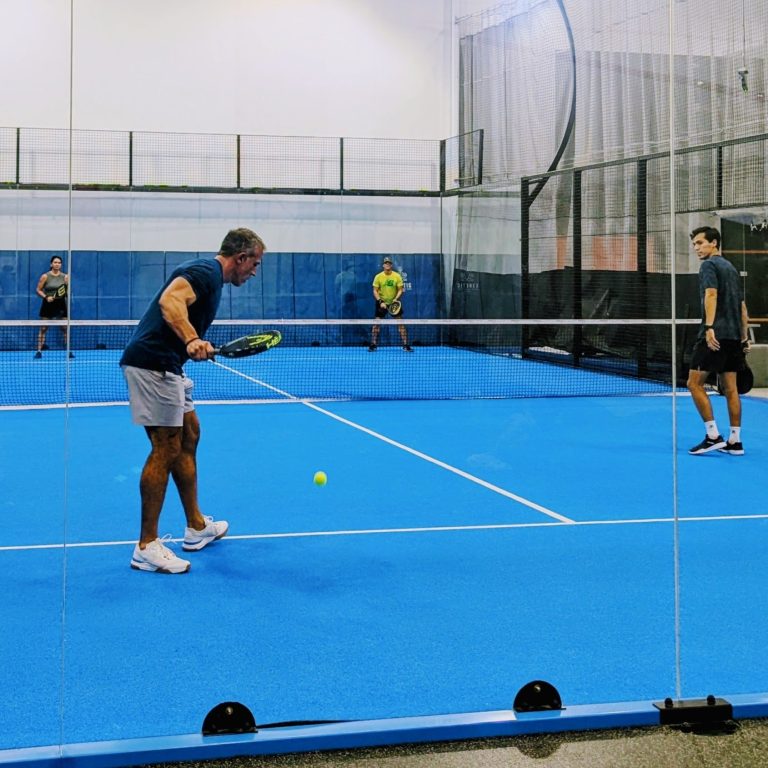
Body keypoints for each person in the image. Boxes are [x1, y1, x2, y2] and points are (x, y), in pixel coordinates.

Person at [120, 227, 266, 573]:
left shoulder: (211, 279)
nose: (254, 271)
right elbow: (170, 301)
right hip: (152, 364)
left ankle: (196, 527)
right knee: (165, 448)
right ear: (241, 257)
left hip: (170, 364)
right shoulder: (205, 272)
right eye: (255, 263)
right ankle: (146, 546)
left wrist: (188, 345)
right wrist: (191, 339)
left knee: (189, 435)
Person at [687, 226, 750, 456]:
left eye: (700, 243)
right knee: (730, 388)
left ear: (713, 243)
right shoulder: (731, 268)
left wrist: (709, 327)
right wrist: (743, 337)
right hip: (733, 336)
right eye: (694, 244)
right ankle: (735, 441)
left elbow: (711, 294)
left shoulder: (709, 265)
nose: (696, 248)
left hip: (715, 336)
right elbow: (742, 307)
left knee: (694, 384)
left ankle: (713, 436)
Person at [369, 257, 412, 352]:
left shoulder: (397, 276)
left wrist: (395, 299)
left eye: (389, 263)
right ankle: (373, 344)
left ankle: (406, 344)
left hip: (394, 304)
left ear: (391, 265)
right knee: (376, 324)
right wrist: (380, 301)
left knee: (401, 324)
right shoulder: (378, 276)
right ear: (383, 265)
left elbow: (400, 289)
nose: (387, 264)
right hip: (381, 303)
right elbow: (375, 291)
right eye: (386, 263)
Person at [35, 255, 71, 358]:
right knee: (43, 328)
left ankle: (69, 351)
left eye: (59, 263)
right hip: (48, 304)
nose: (57, 264)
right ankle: (39, 351)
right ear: (51, 264)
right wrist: (46, 297)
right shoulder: (45, 276)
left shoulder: (65, 277)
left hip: (61, 304)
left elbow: (66, 291)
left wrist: (67, 287)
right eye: (55, 262)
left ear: (61, 265)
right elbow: (38, 290)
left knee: (65, 328)